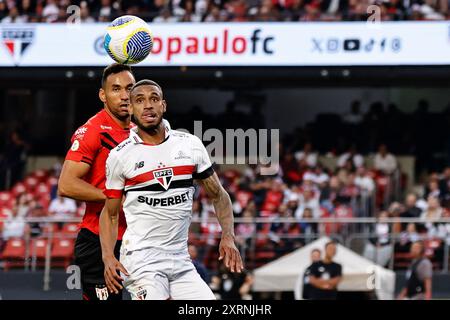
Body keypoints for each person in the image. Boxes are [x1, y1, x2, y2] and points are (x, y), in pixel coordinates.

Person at [99, 79, 243, 300]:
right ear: (131, 109)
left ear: (163, 106)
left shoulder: (190, 145)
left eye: (154, 99)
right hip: (140, 259)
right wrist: (108, 256)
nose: (148, 105)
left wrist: (228, 236)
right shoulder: (120, 156)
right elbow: (109, 214)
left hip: (180, 259)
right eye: (140, 100)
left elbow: (219, 195)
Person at [58, 63, 137, 301]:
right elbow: (66, 184)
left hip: (138, 239)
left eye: (130, 88)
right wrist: (114, 198)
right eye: (116, 89)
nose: (124, 95)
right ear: (103, 95)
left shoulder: (139, 131)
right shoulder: (92, 131)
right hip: (99, 241)